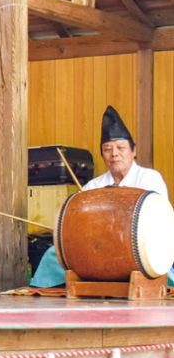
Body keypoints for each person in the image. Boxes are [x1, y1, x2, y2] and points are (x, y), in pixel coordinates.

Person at [31, 105, 170, 287]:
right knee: (55, 253)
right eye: (107, 149)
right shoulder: (93, 186)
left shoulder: (150, 178)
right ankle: (38, 288)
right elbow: (77, 222)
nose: (114, 154)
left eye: (121, 147)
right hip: (99, 246)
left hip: (136, 246)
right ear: (102, 154)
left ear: (134, 151)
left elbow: (158, 222)